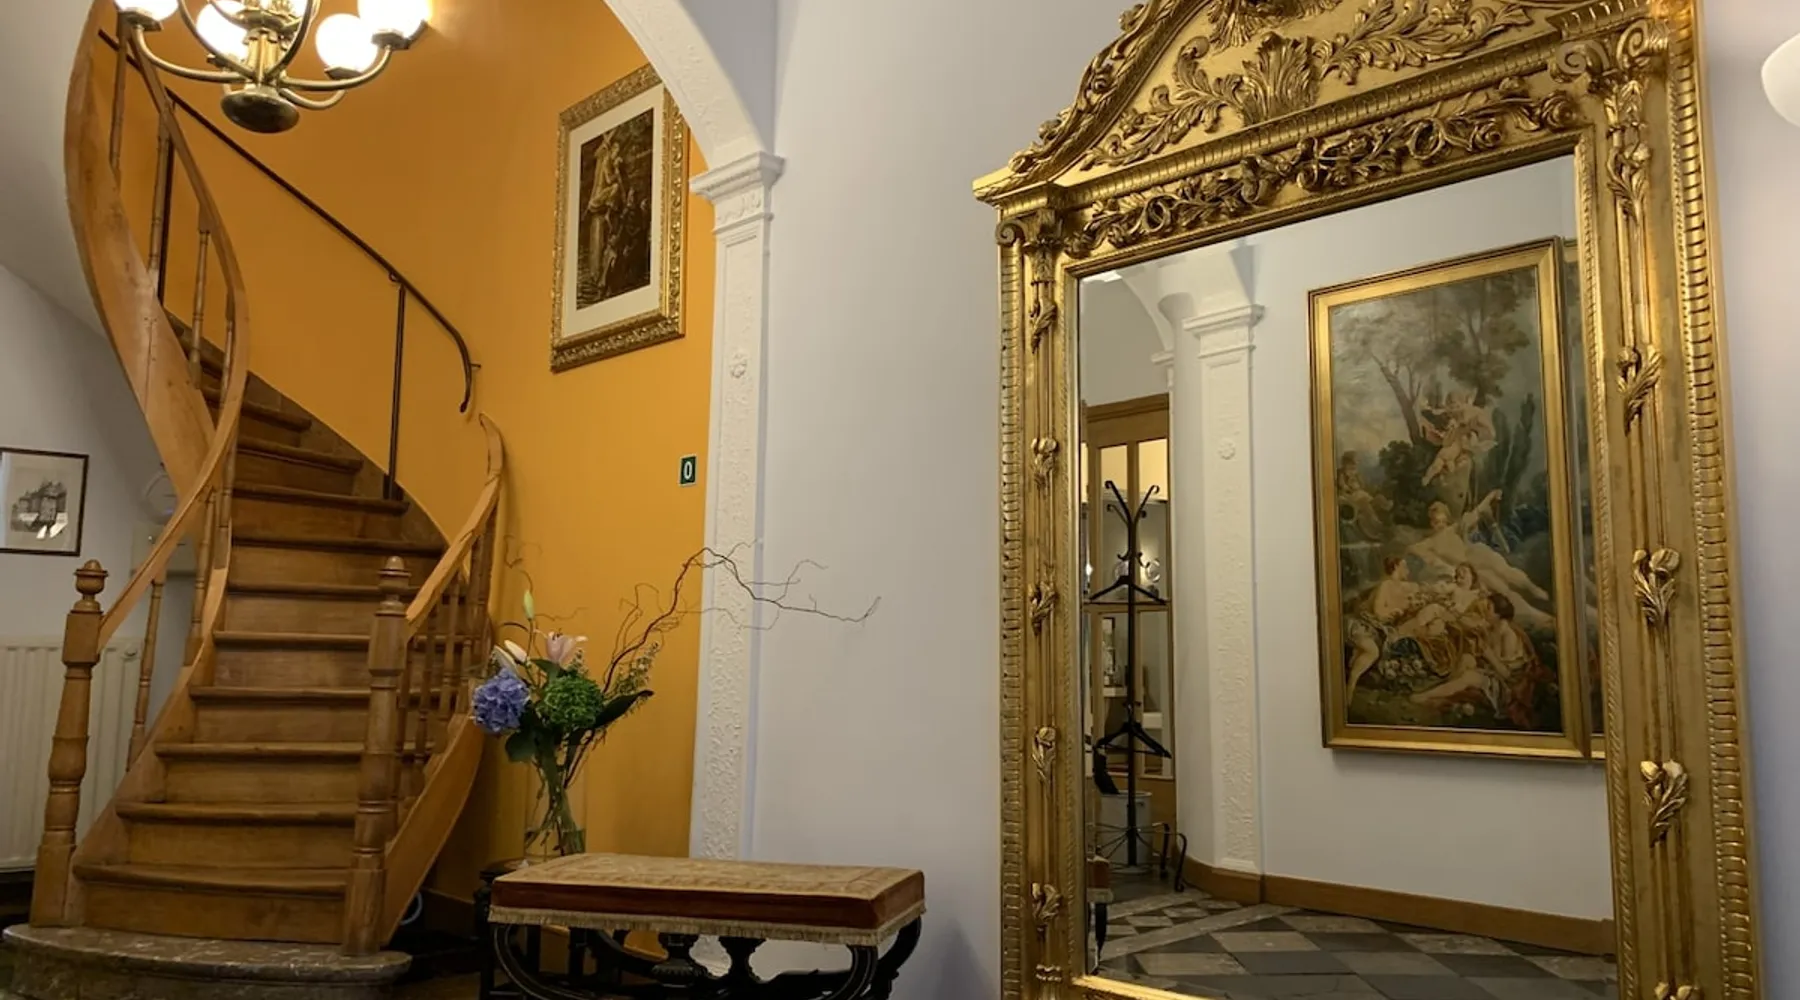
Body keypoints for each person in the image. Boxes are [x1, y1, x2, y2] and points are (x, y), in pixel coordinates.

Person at [1408, 492, 1554, 630]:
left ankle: (1532, 589)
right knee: (1498, 585)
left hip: (1475, 555)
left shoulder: (1454, 529)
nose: (1440, 525)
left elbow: (1476, 513)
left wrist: (1490, 496)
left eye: (1443, 521)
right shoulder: (1430, 543)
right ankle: (1534, 616)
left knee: (1504, 571)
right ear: (1431, 523)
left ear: (1447, 520)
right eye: (1436, 522)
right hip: (1466, 568)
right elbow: (1413, 549)